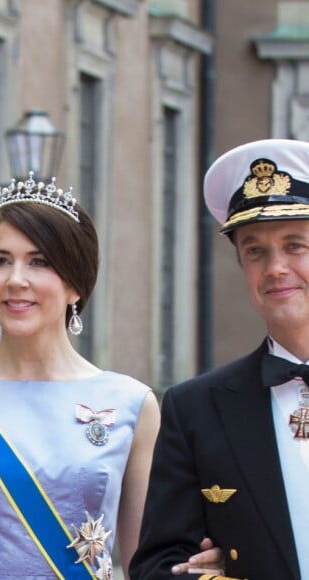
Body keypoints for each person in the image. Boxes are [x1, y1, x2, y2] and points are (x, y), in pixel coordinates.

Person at [0, 173, 221, 579]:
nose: (15, 279)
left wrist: (210, 564)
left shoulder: (132, 404)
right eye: (1, 260)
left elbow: (150, 563)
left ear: (76, 284)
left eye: (39, 262)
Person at [129, 138, 309, 580]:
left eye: (295, 245)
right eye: (255, 251)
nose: (275, 268)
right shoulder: (196, 409)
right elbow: (156, 566)